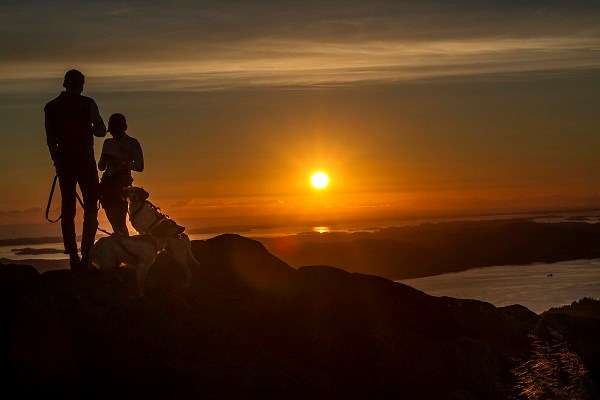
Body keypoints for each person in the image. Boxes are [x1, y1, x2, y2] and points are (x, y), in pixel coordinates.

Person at [44, 69, 106, 270]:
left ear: (64, 83)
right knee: (90, 206)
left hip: (65, 161)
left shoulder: (51, 107)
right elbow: (101, 130)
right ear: (79, 85)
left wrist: (56, 160)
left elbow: (50, 139)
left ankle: (73, 256)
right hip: (84, 160)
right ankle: (86, 253)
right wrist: (88, 128)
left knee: (68, 208)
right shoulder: (88, 103)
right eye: (82, 82)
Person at [98, 113, 144, 236]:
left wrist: (124, 163)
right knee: (114, 223)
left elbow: (140, 167)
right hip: (106, 186)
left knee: (119, 222)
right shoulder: (107, 143)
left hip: (121, 186)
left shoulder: (132, 143)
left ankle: (125, 247)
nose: (113, 133)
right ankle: (122, 246)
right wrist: (104, 158)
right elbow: (101, 167)